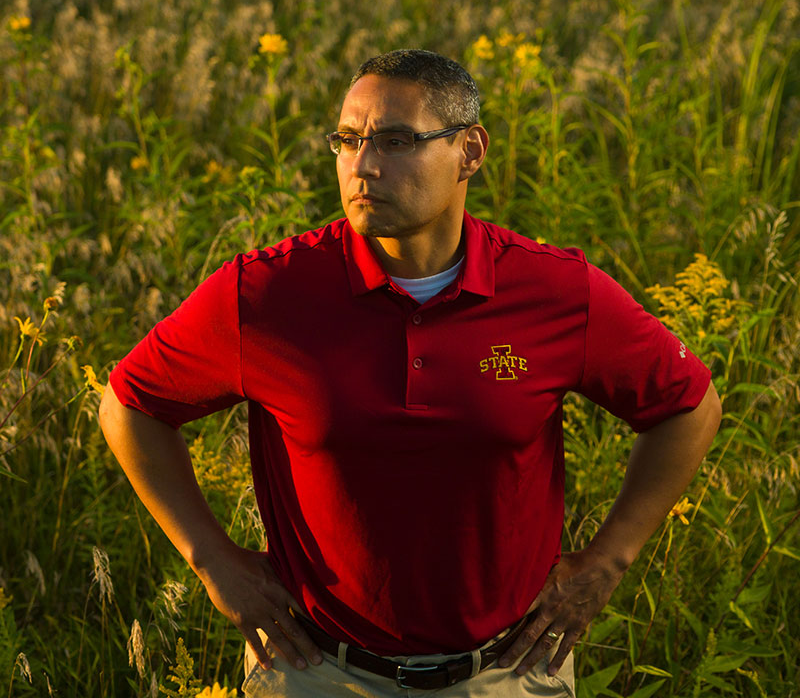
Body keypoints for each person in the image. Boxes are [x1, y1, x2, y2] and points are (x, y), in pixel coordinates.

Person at [99, 49, 721, 698]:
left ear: (470, 152)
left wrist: (608, 561)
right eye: (348, 139)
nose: (363, 165)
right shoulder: (268, 295)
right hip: (315, 670)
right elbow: (130, 404)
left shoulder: (555, 291)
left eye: (397, 141)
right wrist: (213, 561)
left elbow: (690, 406)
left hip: (505, 673)